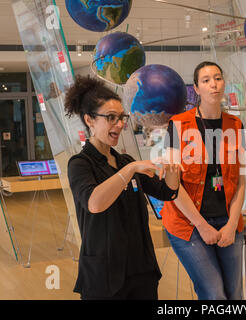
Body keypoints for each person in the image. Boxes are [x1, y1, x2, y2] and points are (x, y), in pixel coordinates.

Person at [65, 75, 181, 300]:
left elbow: (168, 192)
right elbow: (95, 203)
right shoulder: (80, 164)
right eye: (111, 118)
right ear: (89, 120)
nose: (119, 124)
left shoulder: (126, 161)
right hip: (104, 277)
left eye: (121, 117)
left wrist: (173, 170)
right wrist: (129, 171)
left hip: (142, 271)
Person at [161, 61, 246, 300]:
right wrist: (201, 225)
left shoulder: (236, 125)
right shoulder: (177, 125)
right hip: (188, 224)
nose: (213, 84)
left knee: (235, 294)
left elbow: (241, 182)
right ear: (196, 88)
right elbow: (172, 186)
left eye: (217, 78)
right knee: (214, 294)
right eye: (206, 80)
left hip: (228, 220)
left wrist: (231, 224)